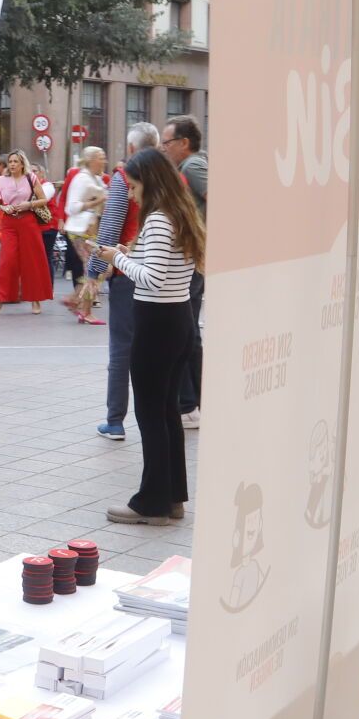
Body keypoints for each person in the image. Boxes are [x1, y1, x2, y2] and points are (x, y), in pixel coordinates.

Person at [97, 148, 206, 525]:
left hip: (158, 324)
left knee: (150, 415)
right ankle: (173, 496)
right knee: (167, 414)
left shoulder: (159, 219)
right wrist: (132, 253)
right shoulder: (179, 214)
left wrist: (117, 259)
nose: (130, 194)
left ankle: (152, 501)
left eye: (134, 185)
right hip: (177, 320)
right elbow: (167, 268)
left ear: (150, 182)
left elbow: (153, 278)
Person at [93, 121, 158, 440]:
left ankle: (115, 420)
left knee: (122, 348)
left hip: (128, 270)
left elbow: (110, 226)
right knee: (158, 349)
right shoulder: (173, 178)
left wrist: (92, 272)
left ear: (131, 149)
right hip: (168, 277)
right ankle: (162, 416)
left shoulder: (123, 178)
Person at [161, 116, 207, 428]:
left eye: (167, 143)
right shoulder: (186, 168)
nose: (164, 148)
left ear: (184, 144)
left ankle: (190, 403)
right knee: (189, 330)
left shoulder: (192, 167)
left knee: (185, 329)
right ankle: (194, 401)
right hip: (195, 255)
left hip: (193, 257)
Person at [0, 151, 52, 314]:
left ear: (22, 163)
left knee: (31, 260)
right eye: (10, 161)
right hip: (8, 222)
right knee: (6, 261)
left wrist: (29, 205)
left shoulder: (31, 178)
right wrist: (3, 207)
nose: (12, 164)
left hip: (28, 221)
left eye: (15, 161)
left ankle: (35, 300)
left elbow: (44, 199)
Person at [59, 146, 109, 325]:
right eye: (101, 157)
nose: (104, 161)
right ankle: (82, 307)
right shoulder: (81, 178)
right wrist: (98, 201)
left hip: (90, 229)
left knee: (96, 270)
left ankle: (77, 301)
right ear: (91, 160)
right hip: (80, 230)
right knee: (97, 269)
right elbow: (70, 208)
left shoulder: (96, 178)